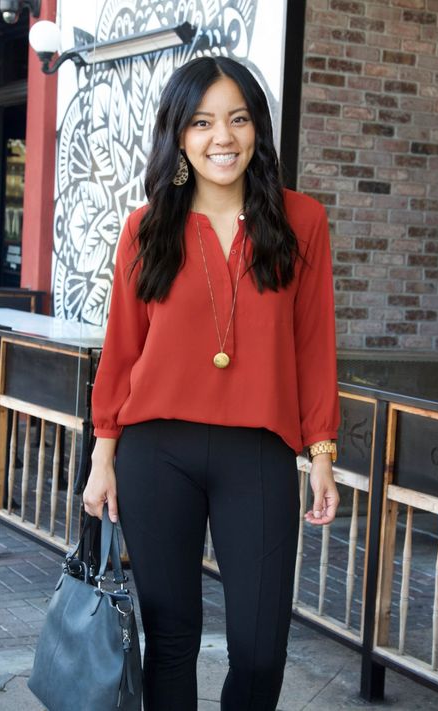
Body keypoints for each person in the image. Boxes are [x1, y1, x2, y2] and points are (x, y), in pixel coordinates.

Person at [83, 55, 340, 711]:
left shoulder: (301, 220)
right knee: (172, 638)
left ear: (257, 129)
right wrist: (102, 457)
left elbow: (313, 343)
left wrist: (322, 454)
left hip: (257, 451)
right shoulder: (146, 227)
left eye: (237, 119)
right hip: (153, 449)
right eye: (201, 122)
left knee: (260, 649)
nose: (221, 138)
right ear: (179, 134)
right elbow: (122, 348)